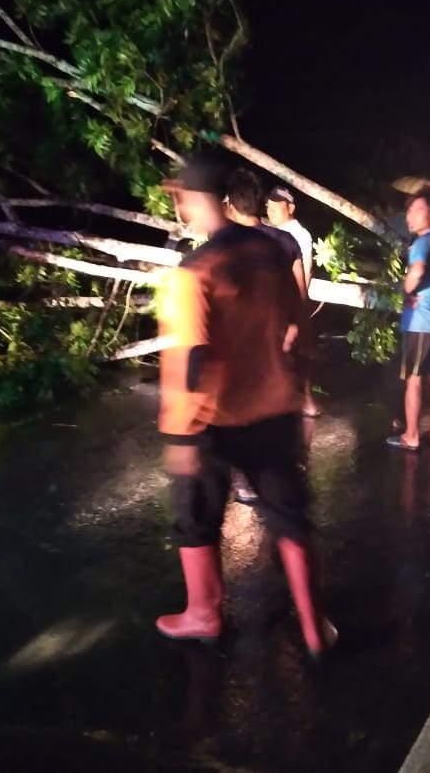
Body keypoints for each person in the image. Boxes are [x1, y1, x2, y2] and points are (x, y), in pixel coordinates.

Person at [155, 154, 335, 658]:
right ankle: (314, 625)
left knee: (195, 518)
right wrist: (299, 389)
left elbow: (189, 355)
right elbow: (297, 322)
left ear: (191, 200)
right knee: (290, 516)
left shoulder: (196, 271)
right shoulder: (270, 251)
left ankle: (203, 614)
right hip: (274, 409)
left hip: (215, 419)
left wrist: (179, 435)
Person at [222, 169, 309, 503]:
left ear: (230, 205)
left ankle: (246, 480)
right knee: (279, 406)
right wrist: (297, 330)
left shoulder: (229, 245)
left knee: (244, 412)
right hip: (278, 340)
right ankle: (283, 471)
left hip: (247, 344)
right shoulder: (283, 241)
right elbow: (299, 292)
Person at [387, 190, 430, 452]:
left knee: (413, 379)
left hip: (419, 322)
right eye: (409, 211)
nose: (410, 216)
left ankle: (411, 435)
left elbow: (418, 270)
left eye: (417, 210)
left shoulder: (422, 243)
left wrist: (405, 290)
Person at [266, 185, 322, 419]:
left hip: (290, 304)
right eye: (268, 205)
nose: (270, 210)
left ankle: (302, 401)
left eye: (275, 205)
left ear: (290, 207)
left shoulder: (299, 234)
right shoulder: (270, 231)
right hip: (276, 304)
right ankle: (293, 401)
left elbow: (305, 273)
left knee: (294, 353)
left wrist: (298, 310)